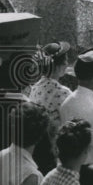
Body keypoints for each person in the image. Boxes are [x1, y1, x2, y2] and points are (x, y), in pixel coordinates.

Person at [25, 40, 73, 175]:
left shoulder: (34, 88)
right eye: (65, 61)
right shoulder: (63, 92)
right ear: (57, 67)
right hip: (53, 151)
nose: (66, 64)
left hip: (36, 148)